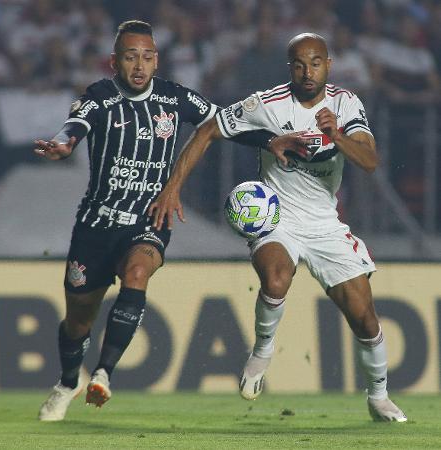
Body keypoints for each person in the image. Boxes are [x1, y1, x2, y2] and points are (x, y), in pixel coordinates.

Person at [149, 33, 407, 423]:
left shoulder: (345, 103)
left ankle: (379, 396)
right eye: (299, 64)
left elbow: (370, 161)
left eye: (315, 63)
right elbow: (207, 130)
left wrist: (336, 135)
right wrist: (172, 188)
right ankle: (263, 351)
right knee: (276, 278)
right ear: (290, 67)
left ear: (328, 65)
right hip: (277, 216)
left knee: (365, 318)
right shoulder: (265, 104)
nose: (308, 71)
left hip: (324, 223)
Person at [35, 19, 276, 422]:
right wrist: (64, 143)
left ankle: (104, 374)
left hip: (149, 216)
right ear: (114, 61)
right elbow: (75, 124)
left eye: (146, 57)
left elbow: (222, 122)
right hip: (97, 223)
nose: (139, 65)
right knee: (78, 319)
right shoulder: (99, 96)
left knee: (138, 272)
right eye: (130, 57)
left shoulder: (174, 98)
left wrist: (270, 139)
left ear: (156, 60)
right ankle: (65, 382)